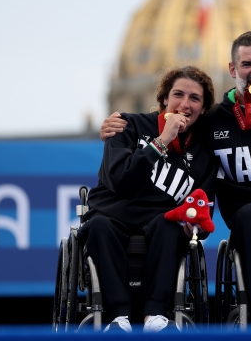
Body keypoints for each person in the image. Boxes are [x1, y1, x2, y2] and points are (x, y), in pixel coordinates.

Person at [101, 31, 251, 332]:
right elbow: (178, 112)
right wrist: (121, 124)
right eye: (247, 64)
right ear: (233, 70)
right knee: (249, 214)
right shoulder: (214, 121)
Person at [80, 65, 217, 333]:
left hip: (158, 221)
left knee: (170, 225)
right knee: (98, 227)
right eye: (178, 94)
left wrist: (196, 227)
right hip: (112, 213)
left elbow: (202, 208)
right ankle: (118, 317)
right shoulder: (127, 125)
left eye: (194, 99)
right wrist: (163, 140)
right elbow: (120, 179)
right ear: (164, 98)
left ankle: (155, 315)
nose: (184, 104)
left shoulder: (205, 153)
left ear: (203, 109)